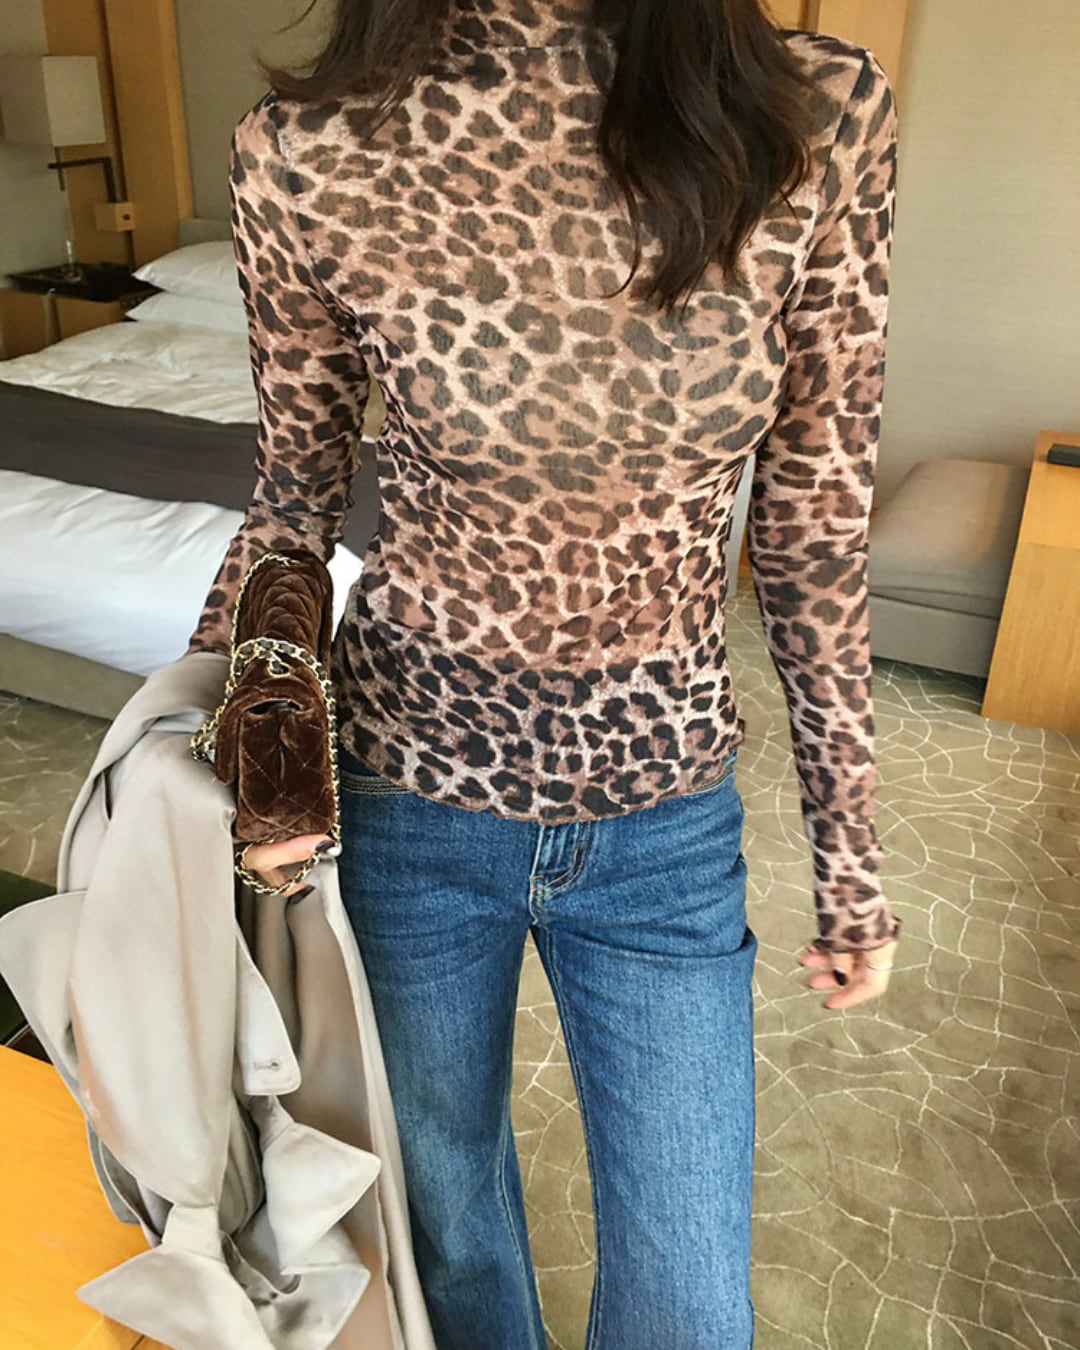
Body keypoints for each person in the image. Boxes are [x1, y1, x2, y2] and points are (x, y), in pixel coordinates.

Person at [186, 1, 901, 1344]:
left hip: (664, 822)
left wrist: (850, 853)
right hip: (405, 801)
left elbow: (816, 520)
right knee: (446, 1239)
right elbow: (292, 498)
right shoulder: (308, 147)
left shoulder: (812, 114)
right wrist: (233, 757)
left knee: (691, 1295)